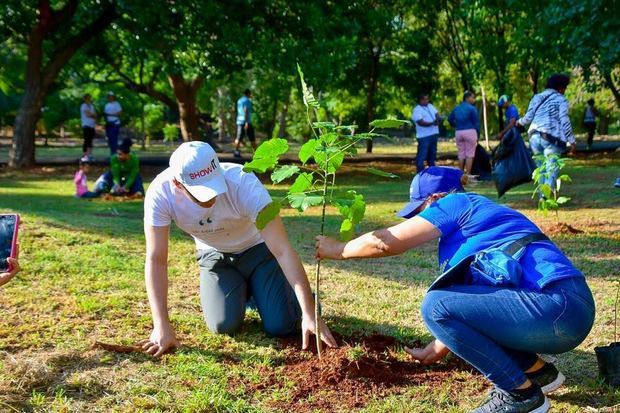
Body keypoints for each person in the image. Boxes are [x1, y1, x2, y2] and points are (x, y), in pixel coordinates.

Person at [316, 166, 594, 413]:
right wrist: (438, 346)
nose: (417, 219)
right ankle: (539, 373)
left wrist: (338, 250)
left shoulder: (457, 202)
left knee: (435, 304)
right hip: (568, 308)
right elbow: (476, 308)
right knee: (443, 304)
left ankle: (520, 394)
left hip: (555, 305)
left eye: (419, 210)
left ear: (435, 199)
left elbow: (385, 243)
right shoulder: (475, 226)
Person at [140, 141, 336, 357]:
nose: (211, 197)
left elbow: (282, 249)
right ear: (178, 183)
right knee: (222, 325)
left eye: (213, 185)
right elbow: (156, 259)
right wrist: (161, 324)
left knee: (281, 325)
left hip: (259, 252)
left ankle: (291, 295)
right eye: (201, 192)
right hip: (214, 256)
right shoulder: (160, 193)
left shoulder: (243, 182)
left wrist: (308, 310)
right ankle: (254, 293)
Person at [517, 74, 576, 192]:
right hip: (551, 137)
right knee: (551, 168)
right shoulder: (561, 99)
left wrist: (518, 123)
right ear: (561, 88)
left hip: (533, 135)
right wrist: (571, 140)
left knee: (540, 169)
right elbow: (564, 119)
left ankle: (542, 198)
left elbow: (528, 118)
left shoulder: (537, 97)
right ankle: (548, 197)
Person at [449, 91, 480, 174]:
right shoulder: (472, 108)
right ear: (467, 98)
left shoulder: (456, 108)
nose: (473, 99)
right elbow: (476, 123)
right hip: (470, 131)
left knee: (461, 153)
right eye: (472, 97)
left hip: (459, 132)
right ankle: (468, 175)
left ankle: (461, 174)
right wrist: (478, 134)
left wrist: (456, 126)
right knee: (470, 154)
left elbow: (450, 119)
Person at [412, 94, 442, 173]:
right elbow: (420, 122)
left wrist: (438, 119)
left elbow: (437, 114)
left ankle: (431, 173)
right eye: (425, 99)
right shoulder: (417, 110)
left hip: (434, 134)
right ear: (420, 100)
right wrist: (432, 123)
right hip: (424, 136)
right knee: (422, 155)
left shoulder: (430, 106)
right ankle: (420, 173)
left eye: (427, 99)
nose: (427, 101)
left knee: (432, 155)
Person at [233, 89, 256, 157]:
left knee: (239, 137)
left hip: (239, 121)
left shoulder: (239, 100)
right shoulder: (247, 100)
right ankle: (256, 153)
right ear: (248, 93)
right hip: (246, 121)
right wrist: (246, 122)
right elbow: (245, 110)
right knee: (252, 137)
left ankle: (236, 151)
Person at [80, 94, 97, 161]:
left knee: (90, 140)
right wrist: (93, 115)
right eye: (88, 98)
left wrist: (93, 115)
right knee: (86, 140)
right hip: (86, 125)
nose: (89, 99)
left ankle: (90, 154)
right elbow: (88, 114)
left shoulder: (91, 106)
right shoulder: (83, 106)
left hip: (92, 125)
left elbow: (95, 114)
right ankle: (85, 155)